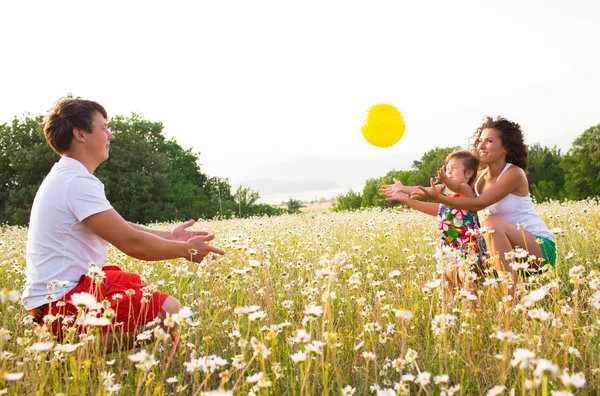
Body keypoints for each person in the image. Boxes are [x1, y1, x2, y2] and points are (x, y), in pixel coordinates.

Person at [21, 98, 225, 350]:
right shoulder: (75, 182)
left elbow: (121, 225)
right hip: (59, 304)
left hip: (57, 298)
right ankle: (70, 351)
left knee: (137, 290)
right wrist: (186, 250)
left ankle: (73, 348)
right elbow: (131, 243)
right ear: (80, 134)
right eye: (104, 127)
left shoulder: (68, 176)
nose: (111, 135)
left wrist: (170, 237)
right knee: (169, 311)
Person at [412, 116, 556, 296]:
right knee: (466, 263)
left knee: (490, 224)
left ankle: (512, 303)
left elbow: (478, 203)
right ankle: (467, 312)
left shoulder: (514, 174)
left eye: (489, 141)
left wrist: (440, 198)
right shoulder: (479, 176)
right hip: (504, 247)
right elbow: (445, 191)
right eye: (480, 141)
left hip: (538, 247)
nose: (481, 146)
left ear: (505, 147)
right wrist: (405, 193)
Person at [381, 150, 487, 297]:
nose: (449, 171)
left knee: (466, 275)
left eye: (454, 168)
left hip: (467, 244)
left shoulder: (466, 190)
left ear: (468, 174)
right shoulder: (443, 190)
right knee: (446, 276)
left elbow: (456, 187)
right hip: (447, 243)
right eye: (447, 168)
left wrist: (444, 178)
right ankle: (453, 307)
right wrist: (403, 190)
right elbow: (422, 190)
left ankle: (472, 311)